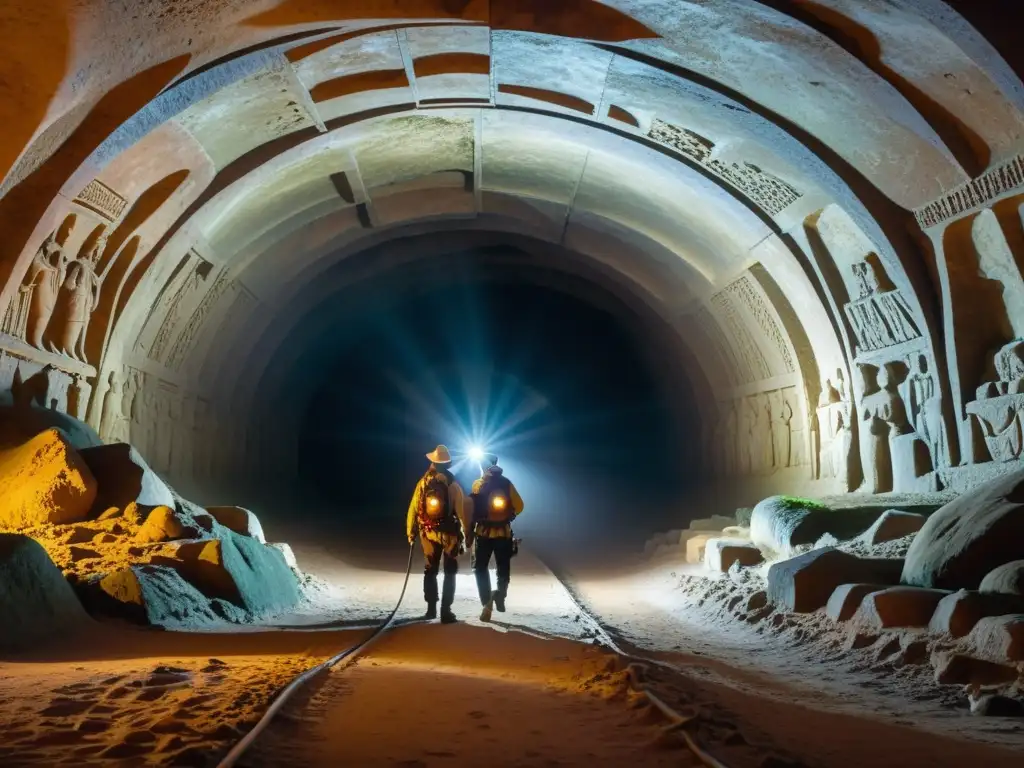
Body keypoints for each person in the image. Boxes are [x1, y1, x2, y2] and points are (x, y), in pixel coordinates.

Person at [406, 445, 468, 623]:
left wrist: (411, 532)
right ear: (448, 464)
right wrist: (465, 534)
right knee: (450, 571)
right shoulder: (453, 485)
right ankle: (446, 612)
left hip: (428, 531)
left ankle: (431, 609)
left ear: (432, 462)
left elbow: (413, 509)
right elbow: (461, 513)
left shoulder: (423, 483)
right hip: (449, 534)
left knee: (430, 570)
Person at [470, 453, 524, 622]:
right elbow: (520, 506)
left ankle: (487, 603)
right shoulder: (506, 483)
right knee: (503, 568)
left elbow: (473, 509)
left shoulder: (478, 484)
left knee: (480, 568)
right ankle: (499, 597)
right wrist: (509, 514)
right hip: (503, 533)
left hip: (483, 533)